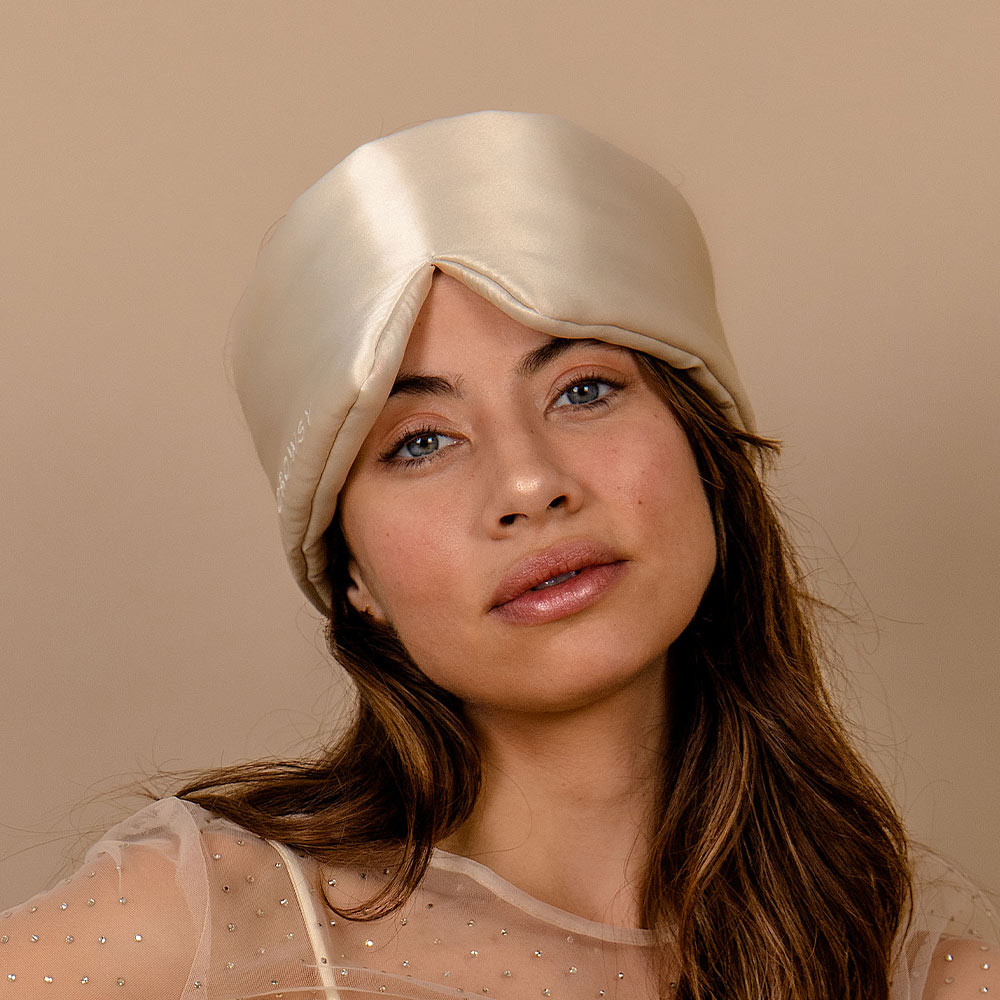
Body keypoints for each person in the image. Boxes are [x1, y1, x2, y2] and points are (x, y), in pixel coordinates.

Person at [0, 111, 994, 1000]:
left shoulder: (920, 971)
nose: (528, 484)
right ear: (353, 576)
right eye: (419, 442)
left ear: (705, 449)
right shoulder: (209, 918)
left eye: (583, 390)